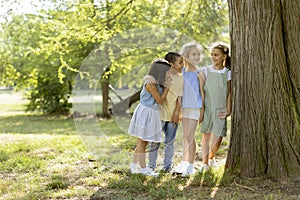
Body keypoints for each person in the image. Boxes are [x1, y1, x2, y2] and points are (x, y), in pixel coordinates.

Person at [128, 58, 171, 176]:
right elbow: (160, 100)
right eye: (167, 71)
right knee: (143, 142)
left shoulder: (157, 82)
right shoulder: (150, 82)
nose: (169, 73)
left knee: (142, 142)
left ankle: (134, 166)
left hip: (151, 113)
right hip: (147, 113)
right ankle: (143, 169)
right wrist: (167, 88)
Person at [148, 52, 184, 173]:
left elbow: (180, 97)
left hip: (172, 114)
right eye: (180, 62)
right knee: (154, 142)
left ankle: (167, 167)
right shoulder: (161, 78)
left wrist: (177, 113)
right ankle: (151, 167)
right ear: (171, 64)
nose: (183, 65)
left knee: (170, 142)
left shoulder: (180, 79)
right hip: (159, 115)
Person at [199, 42, 232, 172]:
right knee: (206, 135)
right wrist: (202, 109)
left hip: (221, 109)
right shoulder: (205, 71)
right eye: (212, 55)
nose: (213, 57)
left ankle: (211, 157)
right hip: (208, 108)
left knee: (218, 136)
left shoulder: (227, 72)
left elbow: (229, 92)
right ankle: (205, 163)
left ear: (224, 56)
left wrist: (228, 109)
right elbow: (201, 91)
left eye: (216, 55)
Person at [173, 42, 203, 177]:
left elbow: (203, 93)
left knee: (190, 136)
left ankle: (191, 166)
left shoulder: (200, 73)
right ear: (186, 56)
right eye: (194, 54)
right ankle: (184, 162)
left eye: (198, 54)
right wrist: (178, 110)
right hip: (184, 108)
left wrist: (203, 110)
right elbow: (180, 93)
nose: (197, 57)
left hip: (195, 108)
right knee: (185, 136)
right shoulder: (182, 73)